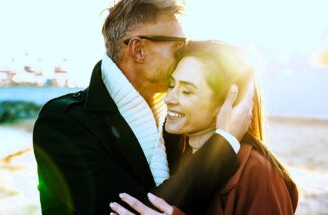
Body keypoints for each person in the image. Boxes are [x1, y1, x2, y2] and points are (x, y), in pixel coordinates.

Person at [32, 1, 253, 214]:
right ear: (139, 49)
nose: (184, 56)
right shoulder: (63, 123)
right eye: (178, 47)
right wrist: (223, 143)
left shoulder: (174, 119)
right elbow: (143, 209)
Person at [110, 41, 298, 215]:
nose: (169, 99)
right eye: (171, 85)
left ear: (225, 104)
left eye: (186, 91)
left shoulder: (257, 172)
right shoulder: (178, 157)